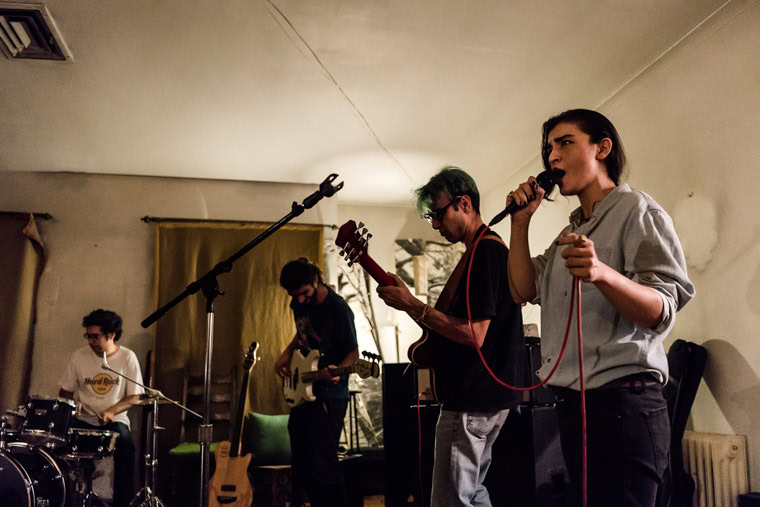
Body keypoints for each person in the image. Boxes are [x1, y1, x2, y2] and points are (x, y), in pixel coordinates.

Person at [505, 109, 695, 506]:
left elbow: (663, 307)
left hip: (623, 406)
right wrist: (519, 224)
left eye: (565, 142)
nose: (552, 156)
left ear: (602, 147)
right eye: (548, 148)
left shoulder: (638, 210)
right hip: (575, 407)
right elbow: (523, 288)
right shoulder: (570, 233)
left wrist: (602, 274)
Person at [377, 166, 524, 507]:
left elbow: (474, 334)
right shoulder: (479, 252)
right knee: (472, 493)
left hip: (474, 399)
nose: (434, 225)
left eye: (439, 214)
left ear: (465, 204)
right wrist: (413, 307)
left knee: (451, 500)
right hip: (483, 398)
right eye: (431, 217)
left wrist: (413, 304)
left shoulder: (487, 252)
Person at [274, 258, 359, 507]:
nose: (299, 300)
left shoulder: (338, 309)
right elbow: (302, 332)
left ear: (315, 280)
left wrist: (338, 371)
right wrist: (287, 353)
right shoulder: (298, 302)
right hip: (302, 392)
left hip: (329, 397)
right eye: (294, 295)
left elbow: (354, 353)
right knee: (301, 462)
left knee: (323, 464)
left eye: (304, 293)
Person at [59, 308, 144, 507]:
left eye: (95, 337)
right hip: (83, 420)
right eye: (88, 336)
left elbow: (135, 395)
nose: (90, 341)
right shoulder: (79, 356)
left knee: (125, 442)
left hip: (114, 422)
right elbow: (65, 392)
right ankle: (65, 498)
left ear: (111, 335)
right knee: (56, 438)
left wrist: (111, 411)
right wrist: (74, 406)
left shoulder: (127, 357)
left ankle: (123, 502)